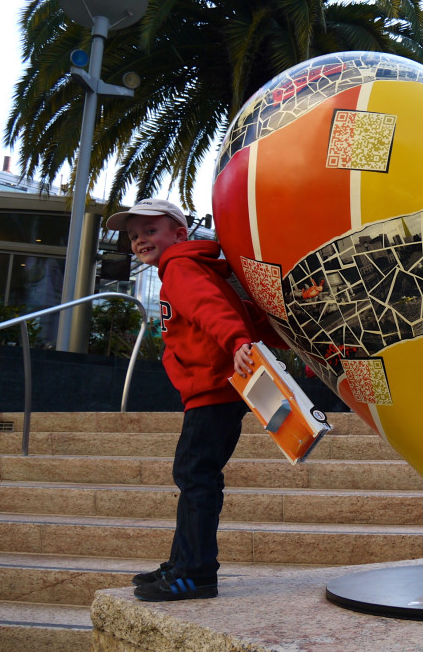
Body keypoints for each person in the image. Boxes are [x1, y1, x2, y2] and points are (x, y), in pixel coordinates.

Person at [106, 198, 281, 602]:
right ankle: (183, 563)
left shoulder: (181, 269)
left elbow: (211, 309)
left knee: (195, 476)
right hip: (213, 389)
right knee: (194, 475)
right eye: (134, 236)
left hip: (213, 389)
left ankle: (195, 573)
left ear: (179, 234)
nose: (139, 240)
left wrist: (238, 342)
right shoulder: (184, 268)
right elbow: (241, 310)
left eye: (150, 231)